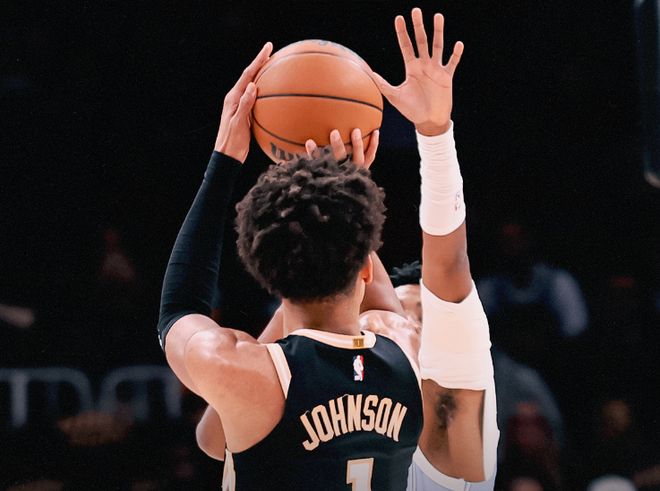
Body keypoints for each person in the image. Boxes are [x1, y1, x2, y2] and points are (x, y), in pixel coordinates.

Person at [197, 8, 500, 491]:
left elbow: (445, 264)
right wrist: (333, 197)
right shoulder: (351, 383)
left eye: (416, 313)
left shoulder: (454, 398)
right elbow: (214, 435)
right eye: (383, 317)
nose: (392, 321)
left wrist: (435, 135)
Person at [156, 40, 424, 490]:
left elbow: (178, 310)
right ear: (363, 266)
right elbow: (213, 437)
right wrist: (345, 187)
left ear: (269, 276)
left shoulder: (244, 375)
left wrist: (224, 161)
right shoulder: (406, 348)